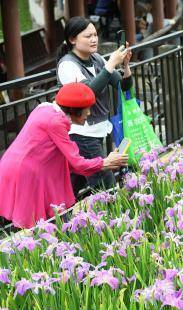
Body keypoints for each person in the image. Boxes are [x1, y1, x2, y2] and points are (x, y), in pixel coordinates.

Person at [0, 83, 128, 230]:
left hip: (17, 167)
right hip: (26, 173)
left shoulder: (45, 108)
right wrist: (105, 162)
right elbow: (78, 164)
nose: (89, 113)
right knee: (39, 228)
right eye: (87, 108)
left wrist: (104, 162)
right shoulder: (56, 121)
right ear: (75, 110)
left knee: (45, 226)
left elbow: (72, 163)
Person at [56, 16, 133, 197]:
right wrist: (110, 65)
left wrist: (125, 65)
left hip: (97, 132)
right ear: (72, 39)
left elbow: (123, 85)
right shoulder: (67, 65)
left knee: (75, 183)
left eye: (95, 35)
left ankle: (58, 212)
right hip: (82, 134)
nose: (94, 39)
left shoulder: (96, 59)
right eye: (88, 36)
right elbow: (86, 94)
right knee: (107, 188)